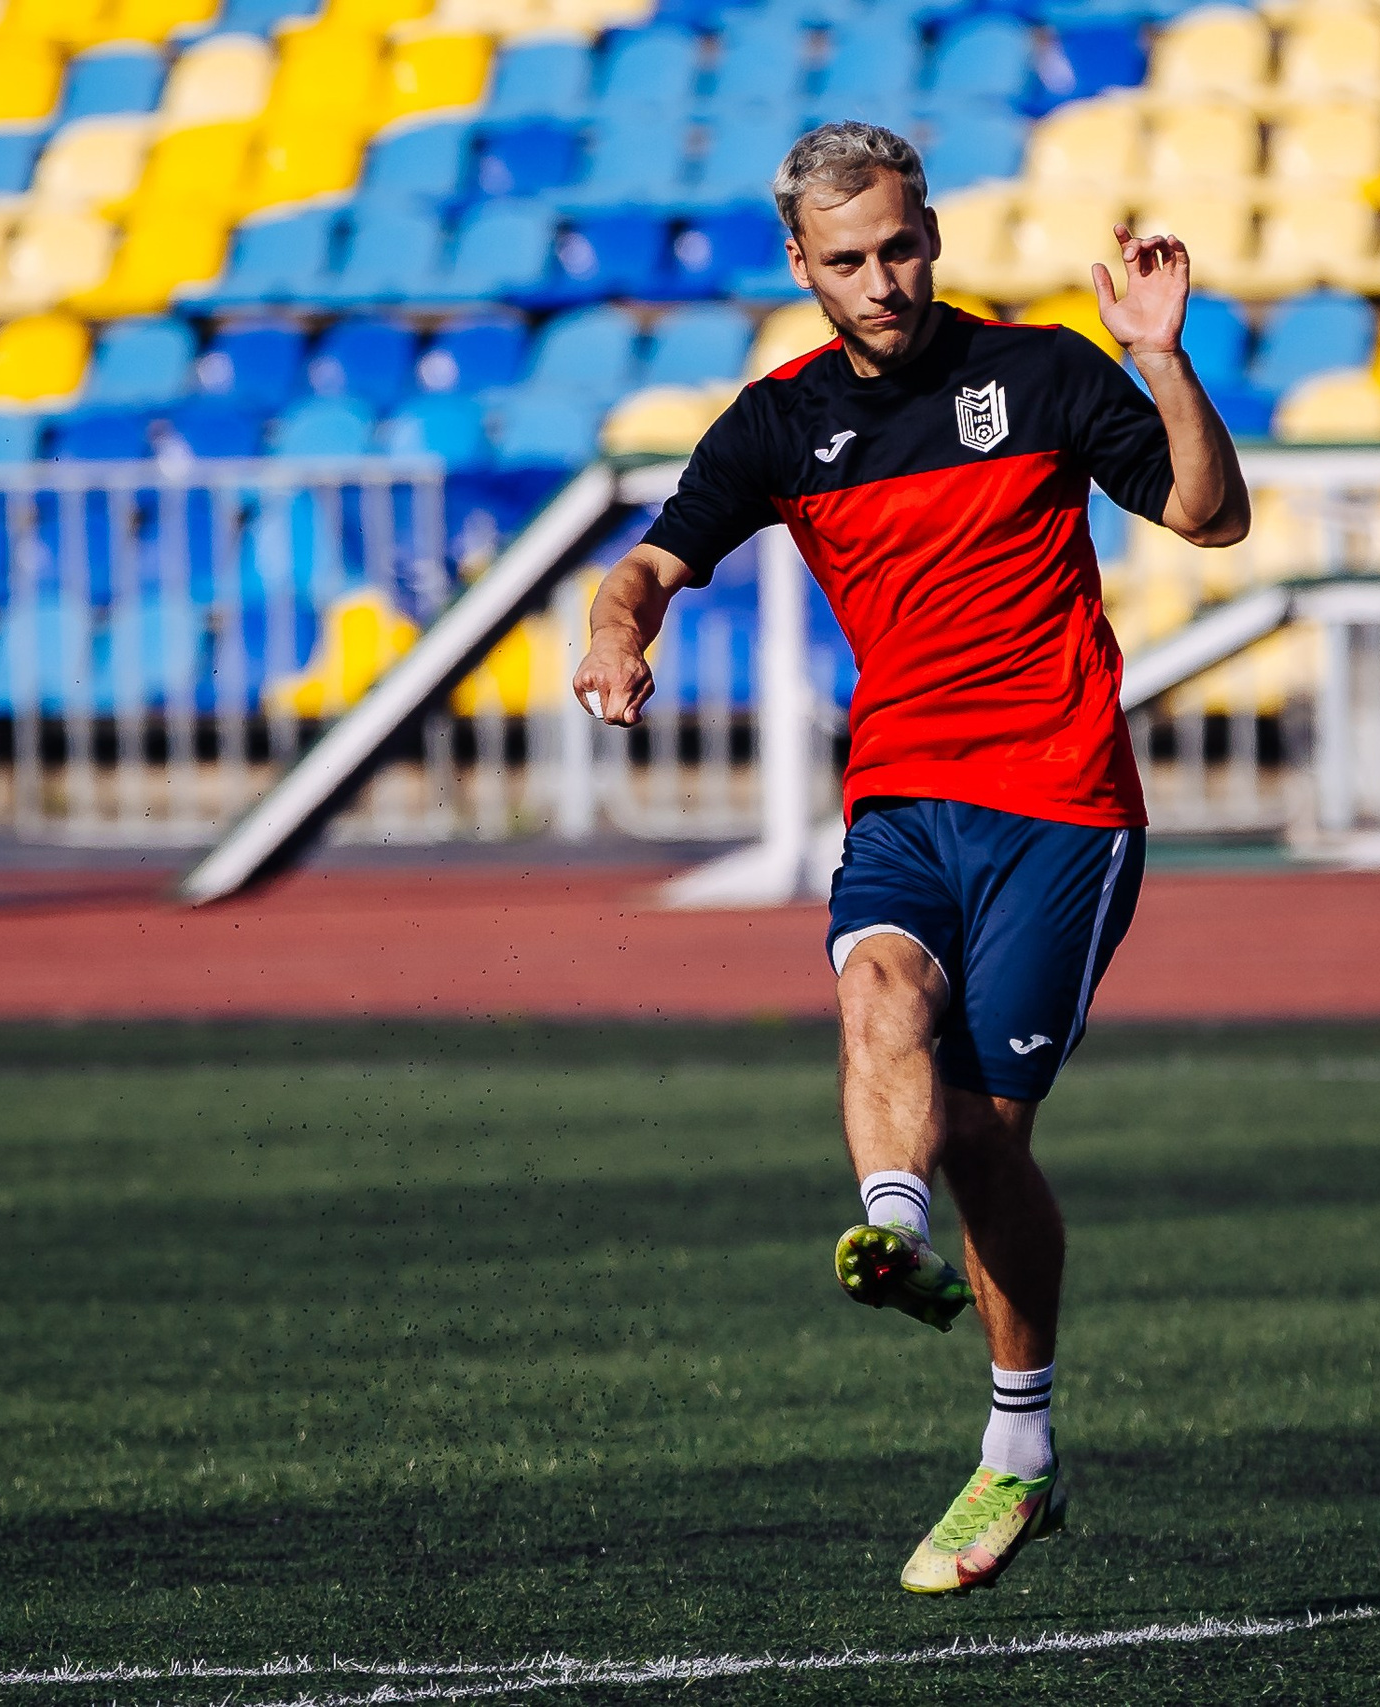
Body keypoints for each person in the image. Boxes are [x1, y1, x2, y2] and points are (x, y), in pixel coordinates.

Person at [570, 122, 1249, 1595]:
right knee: (874, 985)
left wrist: (1160, 359)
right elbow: (652, 561)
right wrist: (616, 634)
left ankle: (1020, 1449)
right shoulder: (778, 422)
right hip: (900, 796)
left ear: (931, 235)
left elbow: (1211, 516)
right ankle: (892, 1235)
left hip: (1063, 807)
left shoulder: (1048, 374)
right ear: (801, 266)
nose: (881, 282)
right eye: (847, 261)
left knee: (988, 1133)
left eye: (899, 248)